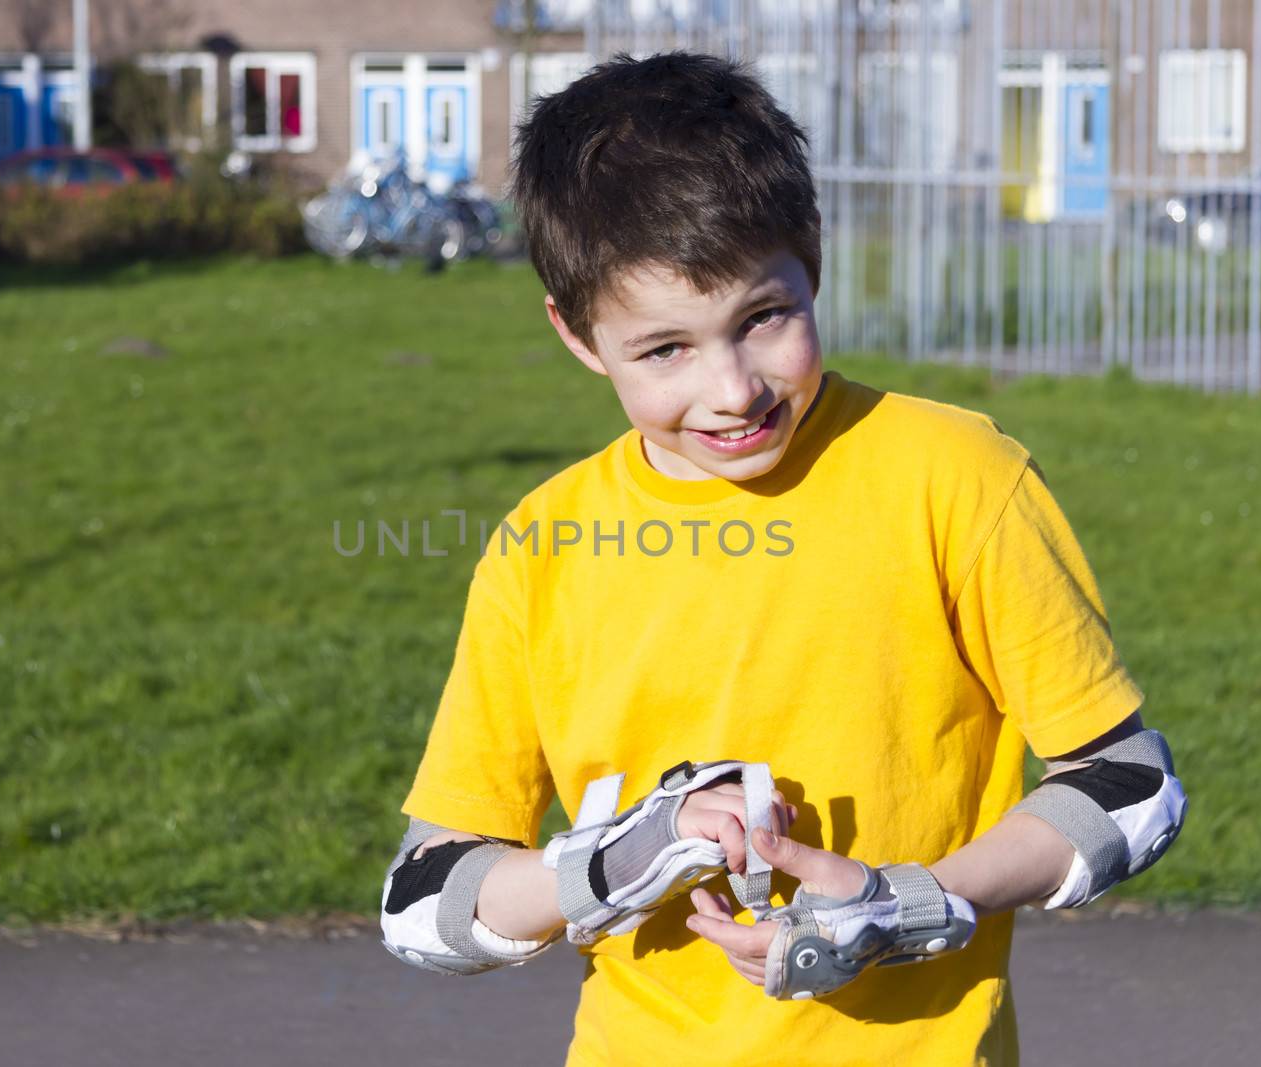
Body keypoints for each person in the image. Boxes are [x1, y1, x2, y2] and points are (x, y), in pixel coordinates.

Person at [378, 52, 1186, 1065]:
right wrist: (622, 857)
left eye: (763, 319)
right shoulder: (543, 542)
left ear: (813, 257)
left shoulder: (955, 476)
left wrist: (911, 903)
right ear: (579, 335)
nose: (731, 389)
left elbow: (1128, 784)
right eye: (664, 349)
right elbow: (422, 898)